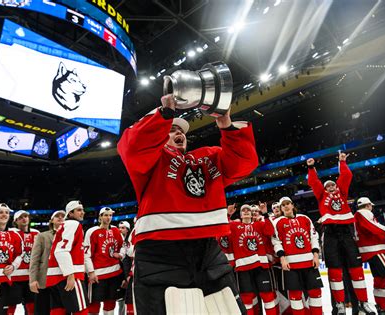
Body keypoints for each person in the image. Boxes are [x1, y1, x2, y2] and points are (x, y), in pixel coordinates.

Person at [117, 94, 258, 314]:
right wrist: (164, 114)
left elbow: (245, 163)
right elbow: (132, 146)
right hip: (160, 253)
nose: (179, 133)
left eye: (181, 131)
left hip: (207, 250)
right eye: (171, 130)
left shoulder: (207, 157)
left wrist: (225, 124)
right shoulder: (150, 162)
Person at [306, 153, 374, 315]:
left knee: (356, 268)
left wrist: (342, 161)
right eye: (328, 185)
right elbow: (313, 182)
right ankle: (339, 305)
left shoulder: (342, 192)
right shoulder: (321, 195)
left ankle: (363, 302)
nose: (331, 187)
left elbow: (346, 176)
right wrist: (311, 167)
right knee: (334, 269)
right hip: (330, 232)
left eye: (333, 185)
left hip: (345, 231)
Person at [273, 197, 323, 315]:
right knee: (295, 296)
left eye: (288, 203)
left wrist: (316, 255)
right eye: (283, 205)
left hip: (309, 263)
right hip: (291, 265)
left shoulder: (305, 218)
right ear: (281, 208)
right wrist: (282, 259)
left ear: (292, 205)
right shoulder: (278, 222)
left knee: (315, 293)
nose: (286, 206)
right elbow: (276, 242)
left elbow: (313, 237)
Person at [229, 204, 279, 314]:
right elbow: (222, 227)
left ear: (252, 214)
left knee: (268, 297)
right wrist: (229, 214)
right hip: (243, 268)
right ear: (240, 215)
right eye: (243, 210)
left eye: (248, 210)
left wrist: (265, 214)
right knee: (247, 300)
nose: (246, 211)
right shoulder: (234, 226)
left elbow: (270, 232)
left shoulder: (259, 225)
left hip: (261, 266)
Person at [46, 200, 88, 315]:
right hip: (68, 274)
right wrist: (70, 274)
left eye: (82, 210)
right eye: (79, 210)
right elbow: (61, 251)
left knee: (58, 309)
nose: (82, 212)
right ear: (70, 213)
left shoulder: (65, 226)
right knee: (81, 310)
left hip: (55, 276)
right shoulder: (73, 224)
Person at [84, 207, 123, 315]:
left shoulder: (115, 230)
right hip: (98, 275)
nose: (108, 217)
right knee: (94, 303)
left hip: (115, 273)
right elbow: (86, 254)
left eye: (110, 215)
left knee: (111, 302)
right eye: (105, 215)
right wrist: (90, 272)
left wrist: (120, 254)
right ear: (100, 217)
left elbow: (123, 246)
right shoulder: (92, 232)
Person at [29, 210, 65, 315]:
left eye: (63, 216)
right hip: (45, 279)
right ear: (52, 221)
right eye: (57, 216)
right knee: (42, 310)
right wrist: (32, 280)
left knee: (62, 310)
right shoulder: (42, 236)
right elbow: (34, 259)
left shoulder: (69, 235)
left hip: (63, 279)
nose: (60, 218)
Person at [7, 210, 40, 315]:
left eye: (26, 216)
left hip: (31, 277)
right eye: (21, 217)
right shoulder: (10, 232)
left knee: (32, 305)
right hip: (14, 276)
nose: (24, 219)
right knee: (11, 305)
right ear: (15, 221)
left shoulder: (36, 233)